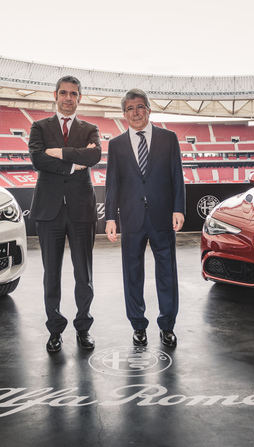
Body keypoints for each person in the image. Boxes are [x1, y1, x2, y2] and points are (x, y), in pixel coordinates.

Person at [105, 88, 185, 348]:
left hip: (162, 216)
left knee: (167, 272)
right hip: (131, 218)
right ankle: (138, 325)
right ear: (124, 114)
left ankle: (167, 325)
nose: (136, 112)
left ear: (149, 110)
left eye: (140, 107)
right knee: (132, 273)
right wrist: (110, 217)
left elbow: (177, 177)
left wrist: (179, 208)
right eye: (130, 108)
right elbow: (112, 185)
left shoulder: (169, 138)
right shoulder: (116, 145)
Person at [28, 75, 102, 353]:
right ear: (55, 95)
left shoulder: (90, 128)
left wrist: (58, 152)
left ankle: (83, 327)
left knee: (84, 274)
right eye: (63, 93)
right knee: (52, 274)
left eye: (73, 93)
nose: (68, 98)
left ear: (80, 97)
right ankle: (55, 329)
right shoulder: (39, 127)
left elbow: (94, 157)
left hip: (81, 210)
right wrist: (73, 163)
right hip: (49, 210)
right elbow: (37, 159)